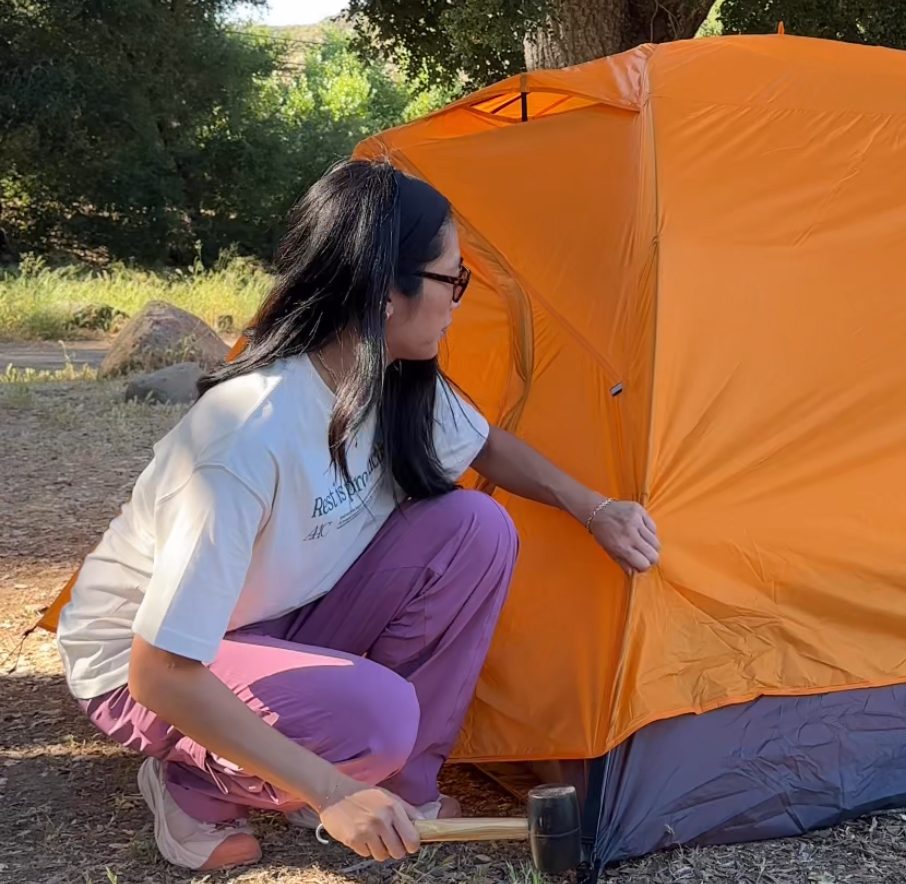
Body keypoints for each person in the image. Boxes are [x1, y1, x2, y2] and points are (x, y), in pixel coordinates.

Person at [54, 158, 661, 872]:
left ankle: (407, 785)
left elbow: (488, 446)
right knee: (373, 717)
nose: (457, 302)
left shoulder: (388, 383)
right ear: (385, 293)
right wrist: (332, 791)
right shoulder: (249, 434)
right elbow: (160, 669)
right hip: (146, 663)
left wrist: (595, 509)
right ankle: (191, 784)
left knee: (475, 528)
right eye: (451, 280)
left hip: (268, 618)